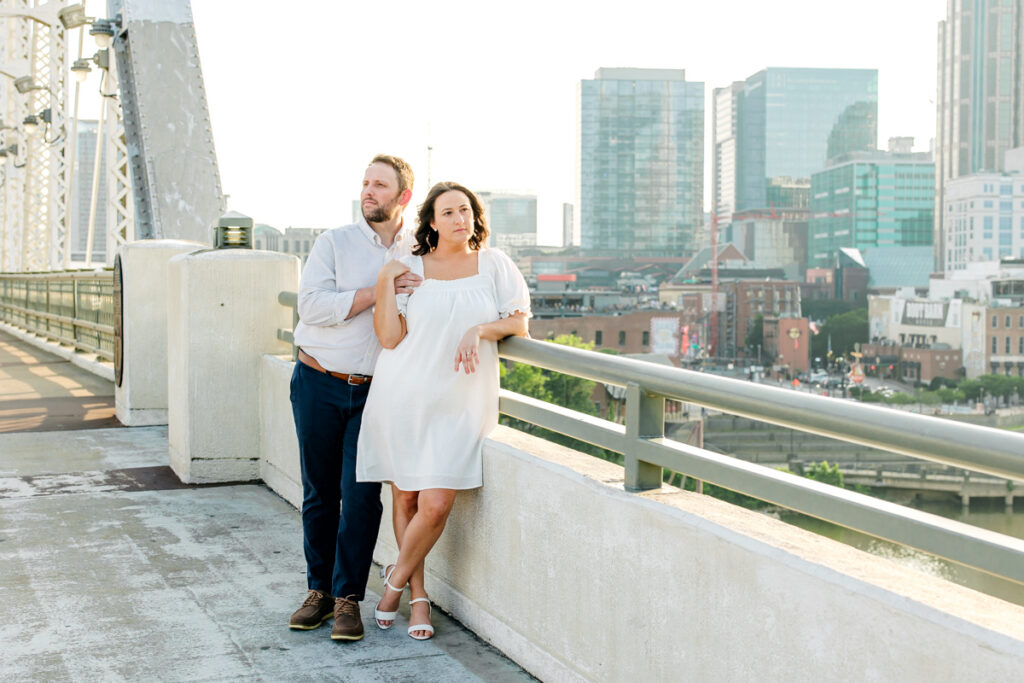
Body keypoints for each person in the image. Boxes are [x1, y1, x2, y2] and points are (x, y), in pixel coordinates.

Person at [356, 181, 531, 640]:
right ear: (432, 222)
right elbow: (390, 337)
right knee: (406, 498)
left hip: (461, 404)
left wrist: (479, 330)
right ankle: (419, 598)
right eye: (448, 212)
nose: (459, 219)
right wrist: (384, 281)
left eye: (465, 210)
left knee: (434, 505)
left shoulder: (494, 264)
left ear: (476, 217)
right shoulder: (411, 267)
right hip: (404, 396)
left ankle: (393, 583)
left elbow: (519, 321)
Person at [288, 154, 422, 642]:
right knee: (320, 493)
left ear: (404, 196)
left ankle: (348, 599)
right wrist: (378, 288)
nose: (368, 191)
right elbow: (311, 307)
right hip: (318, 381)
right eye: (366, 183)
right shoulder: (334, 243)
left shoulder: (419, 251)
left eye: (380, 185)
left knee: (362, 497)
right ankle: (318, 592)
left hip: (376, 394)